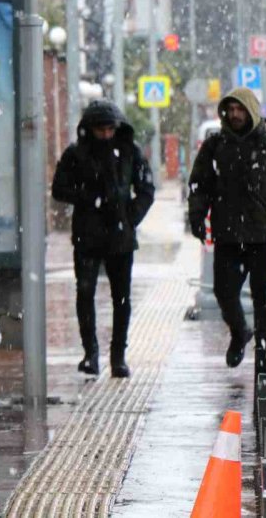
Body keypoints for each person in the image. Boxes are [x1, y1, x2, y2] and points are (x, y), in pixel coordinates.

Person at [187, 87, 266, 367]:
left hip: (264, 235)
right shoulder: (216, 145)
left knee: (264, 295)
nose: (234, 115)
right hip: (228, 234)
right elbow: (200, 184)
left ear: (251, 110)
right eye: (230, 109)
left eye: (240, 109)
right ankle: (240, 333)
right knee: (225, 292)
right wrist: (197, 216)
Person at [51, 99, 155, 378]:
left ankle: (118, 355)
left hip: (120, 236)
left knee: (121, 297)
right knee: (85, 293)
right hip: (87, 233)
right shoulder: (76, 154)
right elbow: (59, 188)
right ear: (90, 128)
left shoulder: (130, 151)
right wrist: (90, 199)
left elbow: (146, 188)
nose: (106, 134)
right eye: (101, 130)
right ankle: (91, 354)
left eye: (110, 129)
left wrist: (129, 216)